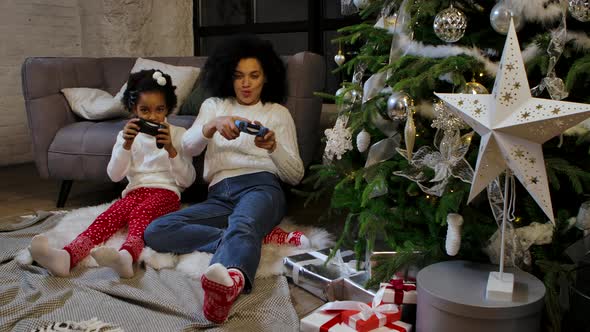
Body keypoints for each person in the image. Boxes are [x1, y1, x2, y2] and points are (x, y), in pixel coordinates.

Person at [143, 35, 308, 324]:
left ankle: (226, 285)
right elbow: (187, 147)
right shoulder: (214, 105)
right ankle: (252, 240)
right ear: (227, 77)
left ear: (266, 78)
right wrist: (211, 126)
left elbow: (294, 175)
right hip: (219, 195)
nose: (246, 84)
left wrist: (273, 148)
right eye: (238, 76)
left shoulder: (277, 113)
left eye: (254, 76)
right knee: (157, 230)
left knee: (243, 223)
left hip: (262, 187)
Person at [30, 69, 196, 278]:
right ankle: (67, 256)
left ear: (168, 108)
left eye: (159, 109)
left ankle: (127, 256)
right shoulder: (126, 137)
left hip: (166, 193)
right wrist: (126, 145)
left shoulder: (179, 135)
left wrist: (171, 150)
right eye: (145, 110)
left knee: (140, 213)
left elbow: (187, 180)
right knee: (109, 216)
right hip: (135, 191)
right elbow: (115, 176)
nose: (152, 116)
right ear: (134, 110)